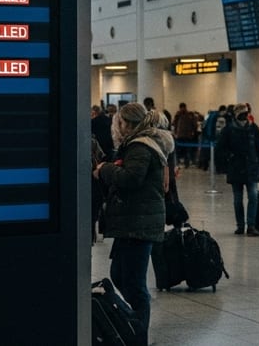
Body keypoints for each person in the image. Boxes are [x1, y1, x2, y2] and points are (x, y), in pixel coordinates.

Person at [93, 102, 169, 346]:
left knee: (135, 285)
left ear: (126, 124)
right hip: (132, 221)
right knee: (119, 274)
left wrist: (104, 170)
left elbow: (131, 178)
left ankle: (138, 336)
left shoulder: (140, 146)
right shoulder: (137, 145)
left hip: (139, 223)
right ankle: (133, 324)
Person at [216, 103, 259, 236]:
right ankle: (240, 225)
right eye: (242, 113)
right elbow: (220, 148)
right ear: (236, 114)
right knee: (238, 199)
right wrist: (228, 159)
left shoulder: (253, 128)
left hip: (251, 167)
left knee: (253, 196)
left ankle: (251, 225)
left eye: (246, 113)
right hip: (236, 168)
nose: (245, 116)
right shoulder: (228, 130)